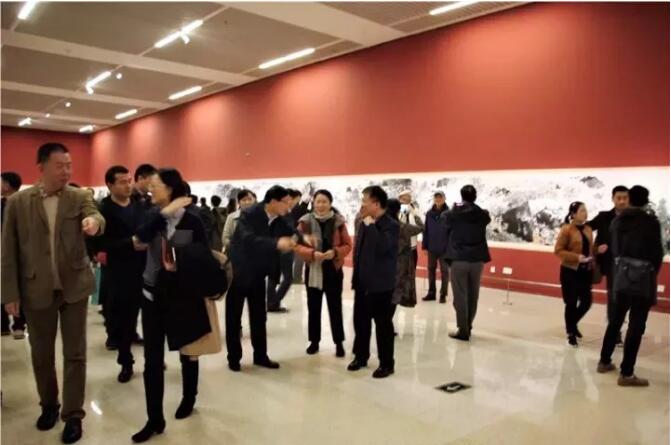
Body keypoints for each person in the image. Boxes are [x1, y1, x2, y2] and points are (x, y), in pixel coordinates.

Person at [1, 142, 105, 444]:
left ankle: (73, 415)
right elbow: (8, 251)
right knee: (41, 354)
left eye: (69, 165)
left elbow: (97, 217)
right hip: (36, 288)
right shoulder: (18, 203)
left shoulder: (79, 196)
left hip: (74, 288)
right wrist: (10, 293)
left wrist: (94, 223)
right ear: (42, 167)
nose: (66, 171)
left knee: (75, 353)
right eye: (60, 166)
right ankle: (49, 404)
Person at [131, 168, 212, 443]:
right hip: (151, 295)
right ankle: (154, 419)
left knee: (188, 350)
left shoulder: (192, 219)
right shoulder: (151, 215)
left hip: (181, 295)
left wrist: (180, 259)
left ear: (170, 188)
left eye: (155, 185)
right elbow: (139, 237)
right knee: (152, 360)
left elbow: (199, 254)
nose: (150, 189)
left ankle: (189, 397)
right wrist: (164, 214)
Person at [597, 185, 664, 387]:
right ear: (645, 201)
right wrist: (649, 272)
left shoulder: (618, 221)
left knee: (615, 320)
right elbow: (657, 254)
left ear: (630, 199)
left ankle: (604, 361)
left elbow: (615, 250)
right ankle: (626, 373)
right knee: (636, 325)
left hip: (621, 275)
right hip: (643, 279)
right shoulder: (650, 222)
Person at [226, 185, 297, 372]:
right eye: (285, 202)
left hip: (259, 273)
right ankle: (234, 358)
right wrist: (276, 243)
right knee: (234, 317)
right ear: (273, 202)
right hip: (238, 272)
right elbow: (248, 239)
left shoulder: (282, 217)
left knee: (259, 317)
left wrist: (305, 239)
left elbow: (292, 232)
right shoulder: (249, 214)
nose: (288, 206)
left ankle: (260, 356)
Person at [98, 166, 148, 383]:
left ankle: (153, 359)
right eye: (122, 182)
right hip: (119, 272)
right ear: (110, 185)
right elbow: (100, 244)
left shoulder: (140, 205)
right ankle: (126, 362)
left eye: (129, 181)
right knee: (124, 320)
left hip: (145, 269)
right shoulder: (103, 210)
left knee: (150, 318)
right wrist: (129, 244)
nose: (128, 185)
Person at [348, 186, 400, 379]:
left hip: (381, 285)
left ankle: (387, 363)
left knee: (383, 325)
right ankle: (361, 356)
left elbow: (382, 247)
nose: (362, 205)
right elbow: (359, 251)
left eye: (365, 201)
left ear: (376, 204)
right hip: (363, 282)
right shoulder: (365, 221)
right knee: (360, 322)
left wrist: (371, 226)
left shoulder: (391, 225)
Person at [295, 190, 352, 357]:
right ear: (313, 203)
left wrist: (335, 252)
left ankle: (339, 343)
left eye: (324, 201)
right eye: (318, 201)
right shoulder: (305, 222)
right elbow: (296, 244)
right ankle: (314, 341)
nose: (321, 205)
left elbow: (347, 245)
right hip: (313, 269)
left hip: (333, 270)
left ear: (330, 203)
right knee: (313, 308)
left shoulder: (338, 221)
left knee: (335, 308)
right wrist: (312, 254)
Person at [443, 185, 491, 341]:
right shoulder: (482, 214)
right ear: (475, 197)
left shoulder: (454, 213)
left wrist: (455, 207)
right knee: (473, 294)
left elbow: (444, 219)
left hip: (459, 258)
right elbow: (486, 217)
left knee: (460, 295)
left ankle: (463, 330)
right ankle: (468, 325)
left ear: (461, 196)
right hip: (477, 259)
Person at [588, 185, 629, 346]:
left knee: (625, 299)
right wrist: (595, 248)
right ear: (613, 199)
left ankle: (616, 327)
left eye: (625, 198)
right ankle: (615, 332)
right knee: (614, 298)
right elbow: (585, 229)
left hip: (629, 265)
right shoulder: (604, 217)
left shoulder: (634, 218)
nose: (622, 201)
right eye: (619, 198)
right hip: (610, 264)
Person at [554, 201, 595, 347]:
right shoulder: (566, 229)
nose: (585, 213)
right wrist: (576, 257)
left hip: (585, 271)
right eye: (582, 210)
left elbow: (589, 248)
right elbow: (558, 250)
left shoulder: (588, 229)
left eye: (585, 210)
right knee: (571, 303)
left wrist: (597, 250)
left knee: (586, 302)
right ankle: (570, 332)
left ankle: (572, 324)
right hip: (570, 271)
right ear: (573, 214)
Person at [266, 189, 302, 313]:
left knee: (275, 277)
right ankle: (273, 302)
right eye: (294, 200)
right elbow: (289, 230)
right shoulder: (282, 214)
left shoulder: (286, 213)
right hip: (283, 248)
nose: (294, 203)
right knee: (287, 278)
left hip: (281, 247)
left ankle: (272, 303)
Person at [1, 171, 27, 339]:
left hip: (21, 252)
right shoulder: (2, 203)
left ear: (7, 185)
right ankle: (3, 324)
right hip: (3, 252)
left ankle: (19, 324)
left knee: (20, 289)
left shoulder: (22, 203)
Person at [387, 199, 424, 310]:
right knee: (396, 292)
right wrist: (415, 214)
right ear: (398, 211)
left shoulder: (381, 226)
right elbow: (421, 227)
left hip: (385, 265)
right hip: (401, 265)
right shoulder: (403, 227)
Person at [422, 191, 450, 303]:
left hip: (445, 249)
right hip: (432, 248)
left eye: (440, 197)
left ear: (444, 198)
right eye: (436, 197)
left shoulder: (449, 213)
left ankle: (443, 294)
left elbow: (452, 232)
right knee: (431, 271)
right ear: (434, 199)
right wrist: (424, 246)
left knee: (445, 272)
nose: (438, 199)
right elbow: (426, 231)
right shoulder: (429, 213)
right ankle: (431, 293)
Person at [398, 189, 422, 299]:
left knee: (411, 271)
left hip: (412, 247)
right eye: (404, 198)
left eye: (408, 198)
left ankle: (408, 293)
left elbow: (420, 226)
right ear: (400, 199)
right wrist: (402, 214)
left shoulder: (415, 211)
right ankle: (400, 292)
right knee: (400, 272)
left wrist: (413, 212)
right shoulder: (396, 211)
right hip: (400, 248)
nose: (406, 200)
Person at [221, 189, 256, 254]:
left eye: (249, 199)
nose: (247, 202)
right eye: (244, 200)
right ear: (239, 202)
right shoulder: (231, 217)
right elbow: (225, 238)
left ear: (254, 200)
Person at [290, 190, 310, 284]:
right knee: (299, 257)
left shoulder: (292, 208)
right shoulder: (298, 208)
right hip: (298, 234)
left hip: (292, 234)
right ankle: (297, 278)